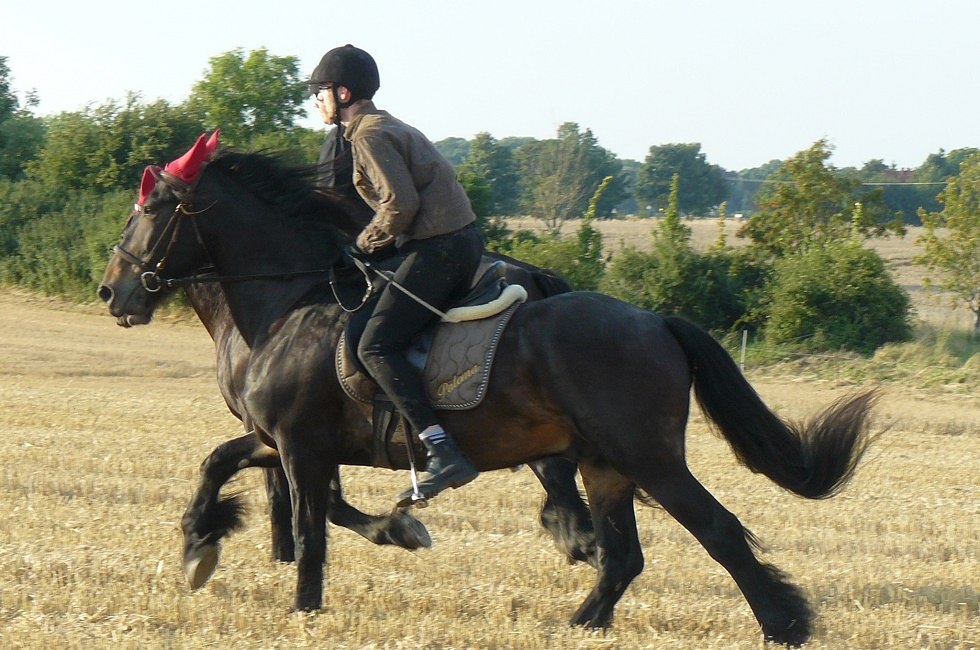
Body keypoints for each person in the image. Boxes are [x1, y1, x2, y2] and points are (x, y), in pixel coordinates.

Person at [307, 44, 483, 507]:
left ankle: (442, 449)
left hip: (439, 250)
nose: (317, 101)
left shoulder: (367, 135)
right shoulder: (382, 124)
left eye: (320, 92)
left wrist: (362, 246)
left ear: (343, 92)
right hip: (449, 244)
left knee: (372, 343)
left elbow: (399, 205)